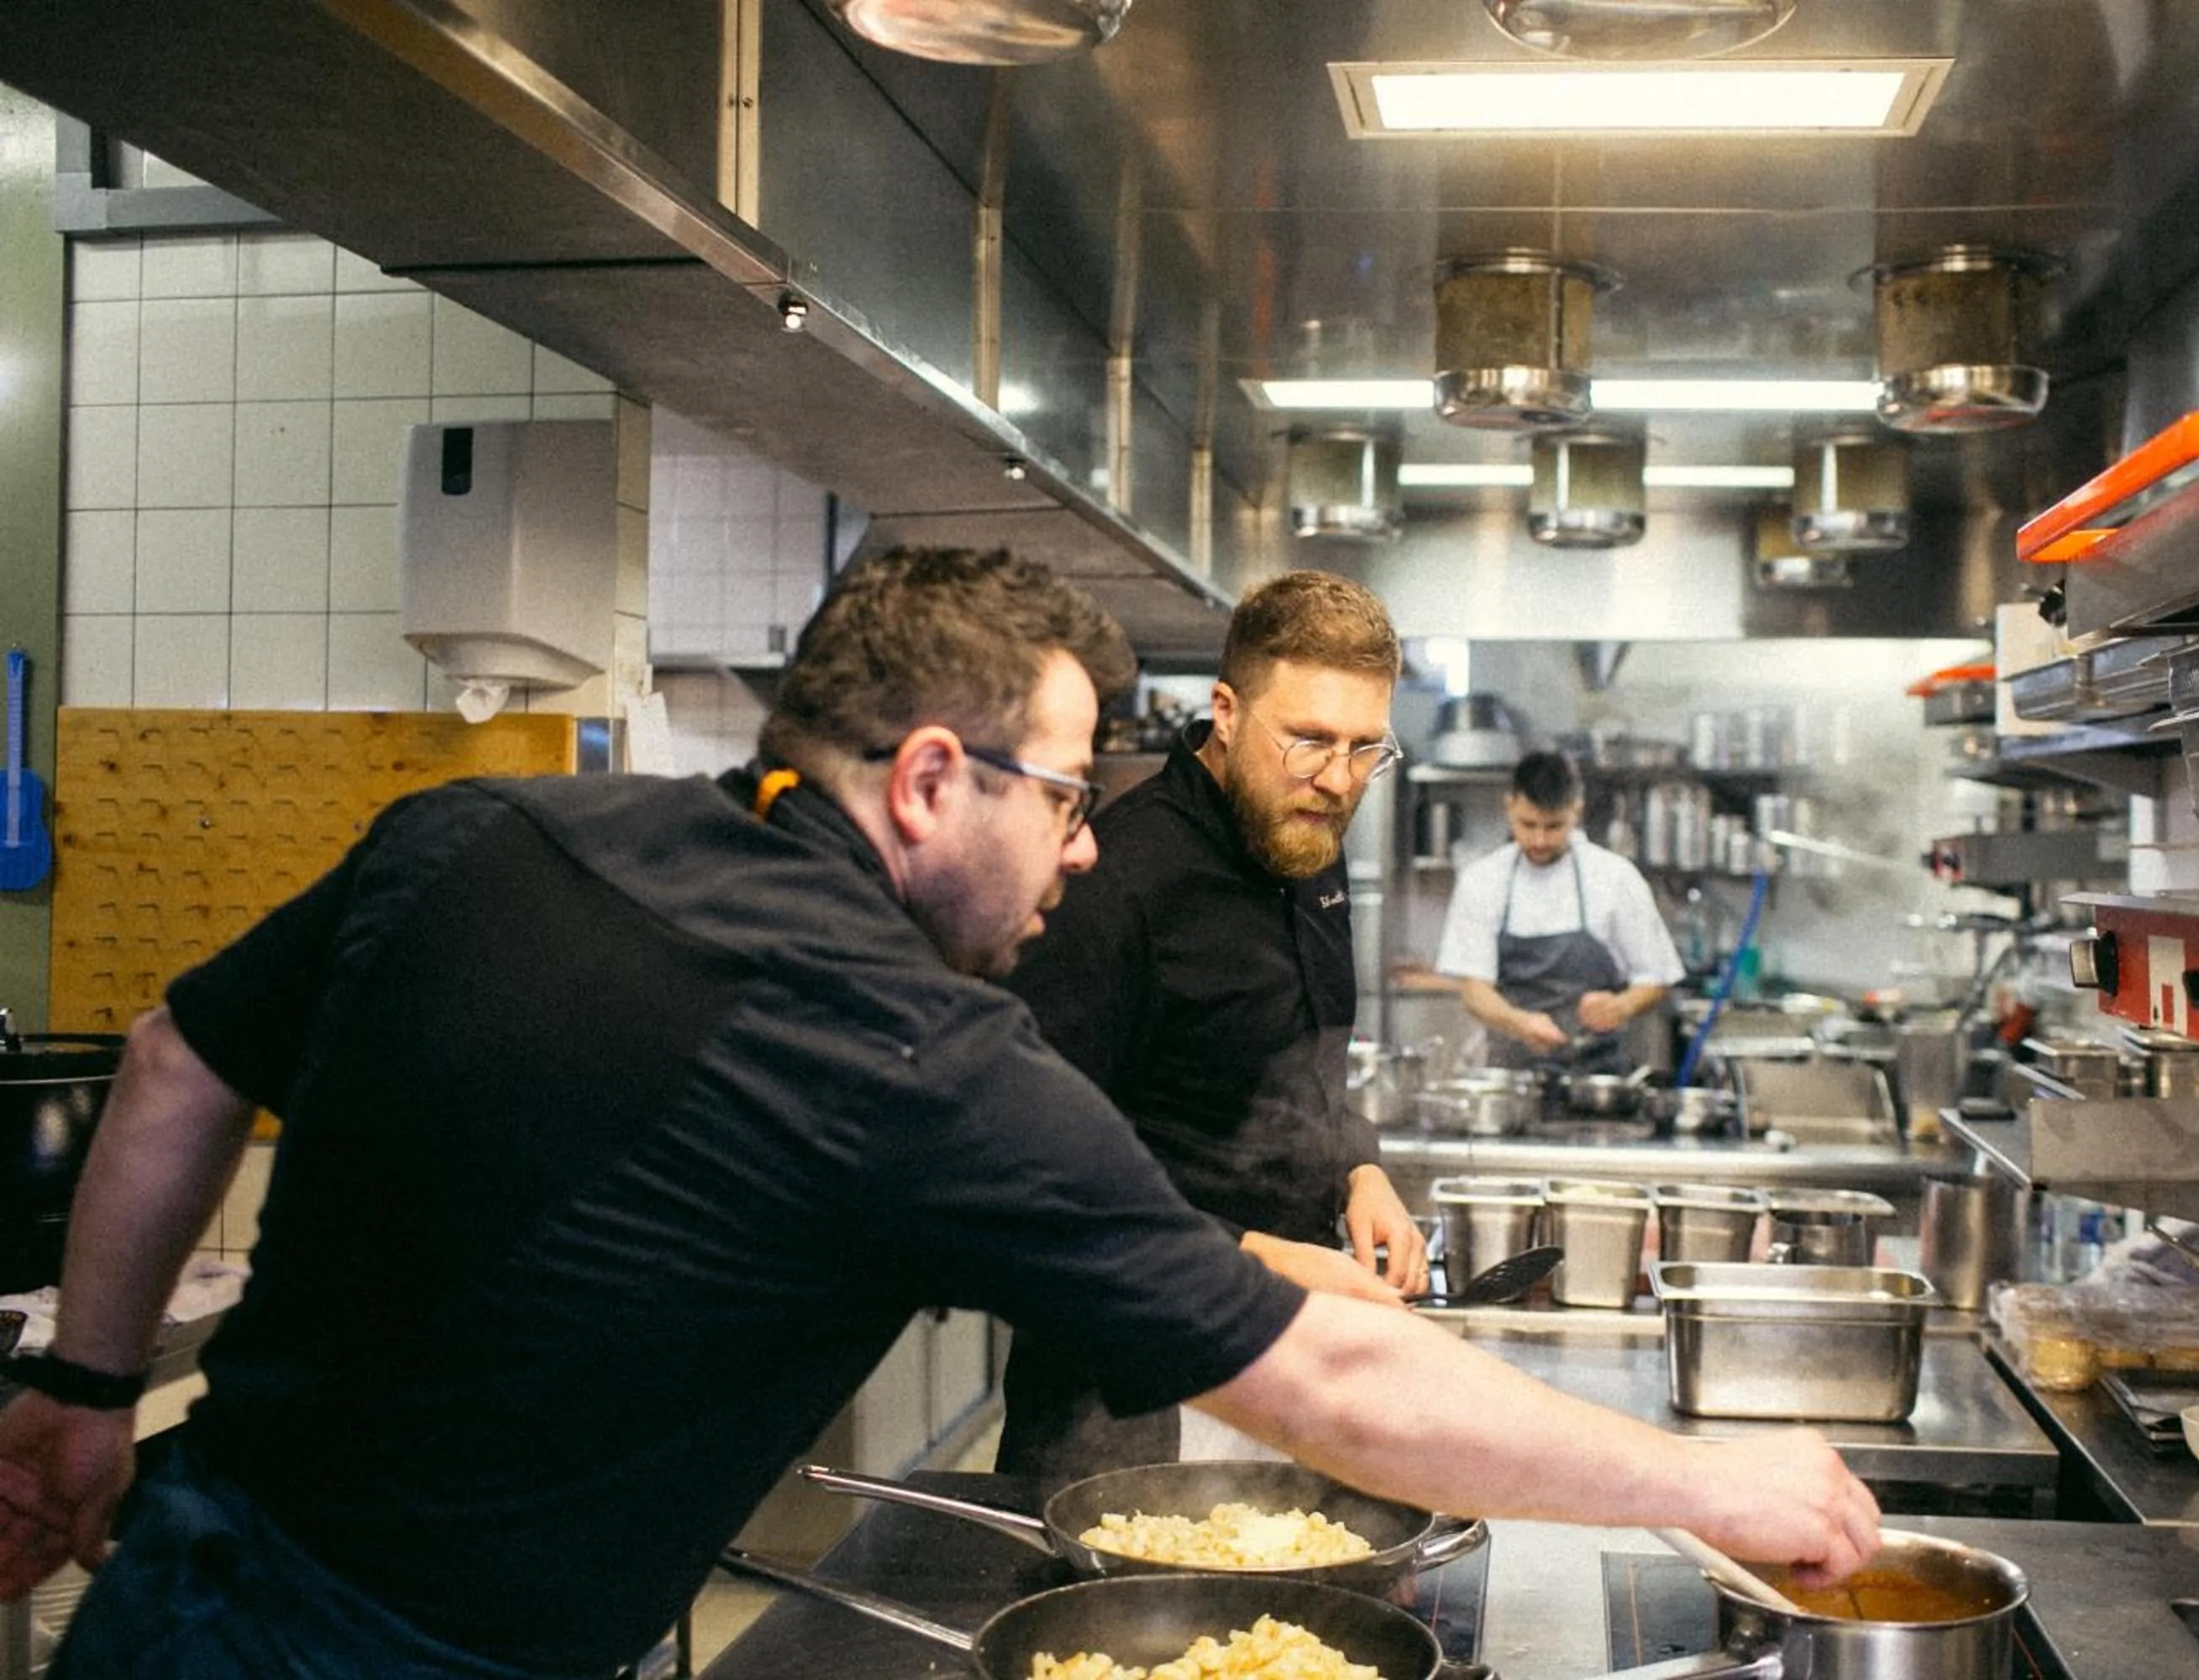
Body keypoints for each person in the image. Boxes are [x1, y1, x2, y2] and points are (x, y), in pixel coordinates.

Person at [0, 549, 1876, 1680]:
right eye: (1062, 796)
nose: (1079, 848)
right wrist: (1719, 1491)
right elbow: (1335, 1387)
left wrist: (82, 1397)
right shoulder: (907, 1052)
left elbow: (176, 1059)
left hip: (180, 1571)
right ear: (923, 779)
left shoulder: (479, 826)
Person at [995, 570, 1428, 1479]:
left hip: (1285, 1365)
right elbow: (1037, 1176)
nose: (1337, 779)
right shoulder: (1113, 880)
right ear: (1226, 709)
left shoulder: (1307, 840)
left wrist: (1359, 1166)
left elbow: (1303, 1066)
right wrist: (1259, 1258)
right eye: (1309, 740)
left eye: (1364, 749)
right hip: (1128, 1394)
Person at [1435, 750, 1683, 1075]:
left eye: (1553, 826)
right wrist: (1520, 1023)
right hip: (1510, 1081)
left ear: (1575, 812)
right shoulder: (1483, 880)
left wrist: (1621, 1006)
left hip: (1596, 1081)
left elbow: (1656, 977)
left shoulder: (1614, 877)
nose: (1539, 839)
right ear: (1509, 806)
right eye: (1528, 824)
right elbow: (1474, 990)